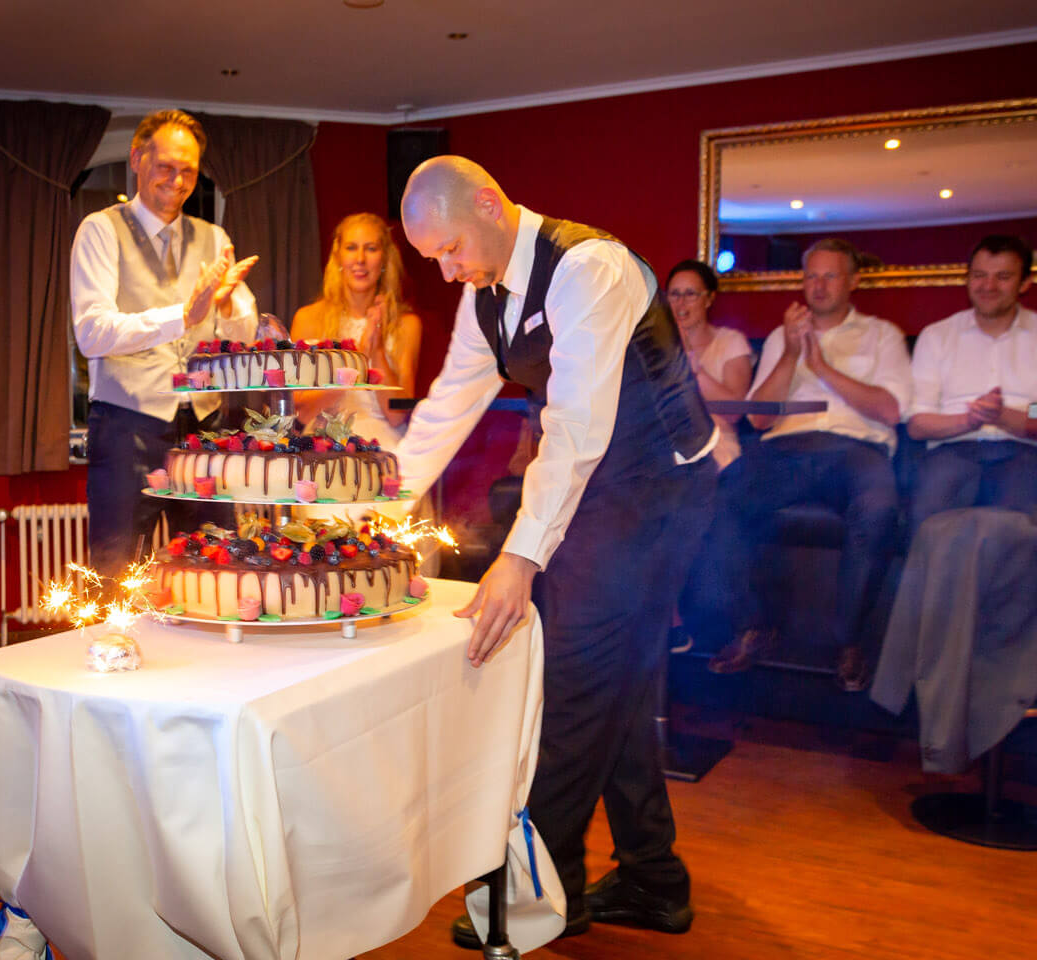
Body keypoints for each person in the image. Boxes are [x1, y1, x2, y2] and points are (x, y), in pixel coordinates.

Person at [392, 156, 716, 946]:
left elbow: (574, 431)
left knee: (573, 685)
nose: (446, 271)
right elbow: (445, 411)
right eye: (434, 258)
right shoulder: (483, 296)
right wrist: (373, 512)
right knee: (617, 687)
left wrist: (519, 557)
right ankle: (653, 880)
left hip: (659, 493)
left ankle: (541, 896)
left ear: (489, 206)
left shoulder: (588, 268)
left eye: (449, 249)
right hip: (600, 491)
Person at [696, 238, 912, 688]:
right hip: (787, 449)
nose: (818, 285)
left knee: (878, 510)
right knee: (720, 492)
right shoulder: (781, 337)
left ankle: (849, 641)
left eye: (830, 275)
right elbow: (757, 417)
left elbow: (891, 411)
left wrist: (822, 366)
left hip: (857, 449)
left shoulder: (882, 335)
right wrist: (794, 355)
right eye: (811, 275)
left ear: (853, 281)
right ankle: (753, 627)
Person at [71, 109, 259, 576]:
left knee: (215, 568)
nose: (178, 181)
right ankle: (116, 652)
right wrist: (184, 315)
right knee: (116, 574)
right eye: (167, 167)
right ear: (137, 159)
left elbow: (245, 336)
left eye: (189, 171)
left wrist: (230, 307)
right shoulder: (100, 229)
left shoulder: (214, 238)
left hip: (206, 427)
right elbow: (92, 333)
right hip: (126, 427)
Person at [906, 235, 1037, 534]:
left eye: (1003, 277)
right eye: (979, 276)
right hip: (952, 451)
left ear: (1025, 283)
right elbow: (917, 425)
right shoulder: (935, 336)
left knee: (1007, 529)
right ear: (968, 279)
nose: (988, 286)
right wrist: (970, 420)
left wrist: (1000, 414)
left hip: (1027, 454)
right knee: (927, 522)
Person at [289, 213, 423, 449]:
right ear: (338, 255)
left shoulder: (407, 324)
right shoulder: (307, 318)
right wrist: (357, 361)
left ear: (384, 260)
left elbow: (397, 415)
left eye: (371, 249)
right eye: (351, 248)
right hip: (323, 446)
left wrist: (377, 349)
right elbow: (300, 410)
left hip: (383, 446)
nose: (360, 259)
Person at [665, 259, 754, 470]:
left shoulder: (731, 342)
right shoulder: (654, 348)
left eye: (690, 294)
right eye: (674, 294)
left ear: (709, 299)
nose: (681, 303)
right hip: (666, 441)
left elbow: (734, 411)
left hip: (717, 442)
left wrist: (692, 365)